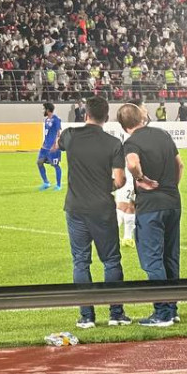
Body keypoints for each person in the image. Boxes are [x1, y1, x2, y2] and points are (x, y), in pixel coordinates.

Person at [61, 96, 130, 329]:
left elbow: (56, 144)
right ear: (107, 117)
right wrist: (103, 185)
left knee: (81, 262)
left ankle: (86, 317)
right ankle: (116, 314)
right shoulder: (113, 143)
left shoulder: (70, 135)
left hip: (76, 208)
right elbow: (120, 180)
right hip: (102, 208)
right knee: (111, 261)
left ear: (85, 114)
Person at [119, 102, 183, 327]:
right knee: (170, 257)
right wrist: (170, 188)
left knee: (153, 259)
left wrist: (141, 179)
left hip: (150, 207)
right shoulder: (163, 134)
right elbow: (180, 165)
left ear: (124, 126)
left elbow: (132, 163)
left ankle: (162, 313)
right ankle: (172, 309)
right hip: (173, 202)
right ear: (141, 118)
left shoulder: (131, 142)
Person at [37, 102, 64, 191]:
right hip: (45, 146)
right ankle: (46, 183)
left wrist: (56, 145)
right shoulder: (46, 120)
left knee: (55, 165)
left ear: (48, 110)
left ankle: (58, 185)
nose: (43, 111)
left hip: (53, 147)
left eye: (44, 109)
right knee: (39, 162)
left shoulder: (56, 119)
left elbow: (58, 133)